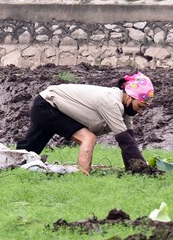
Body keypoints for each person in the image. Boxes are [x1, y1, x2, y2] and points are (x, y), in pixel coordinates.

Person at [16, 72, 155, 175]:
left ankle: (6, 163)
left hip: (48, 104)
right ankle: (83, 176)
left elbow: (129, 139)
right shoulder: (112, 102)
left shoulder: (125, 109)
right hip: (47, 106)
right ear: (130, 97)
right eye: (141, 106)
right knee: (88, 138)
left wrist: (134, 167)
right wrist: (143, 170)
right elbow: (124, 139)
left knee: (27, 152)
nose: (141, 111)